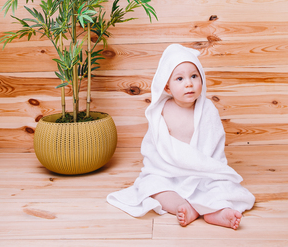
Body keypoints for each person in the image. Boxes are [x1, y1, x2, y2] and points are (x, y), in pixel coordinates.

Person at [107, 44, 255, 229]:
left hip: (202, 173)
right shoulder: (161, 111)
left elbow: (214, 146)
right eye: (180, 78)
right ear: (167, 87)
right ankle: (182, 206)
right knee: (151, 185)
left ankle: (218, 211)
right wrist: (161, 170)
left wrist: (210, 170)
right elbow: (155, 149)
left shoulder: (208, 110)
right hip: (169, 173)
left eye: (194, 76)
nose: (189, 83)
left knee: (222, 186)